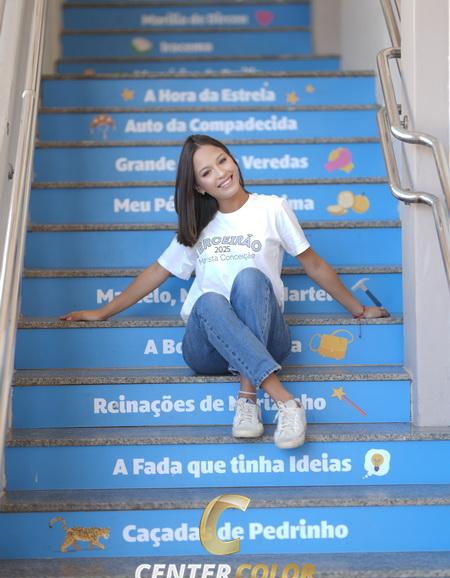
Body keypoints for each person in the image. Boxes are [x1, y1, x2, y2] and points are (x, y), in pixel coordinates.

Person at [60, 134, 390, 449]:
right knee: (208, 301)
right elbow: (158, 271)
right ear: (198, 186)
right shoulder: (197, 225)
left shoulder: (272, 208)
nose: (220, 173)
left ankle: (247, 399)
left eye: (222, 161)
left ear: (233, 159)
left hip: (268, 339)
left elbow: (313, 264)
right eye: (206, 172)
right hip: (208, 349)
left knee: (250, 278)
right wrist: (102, 311)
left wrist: (358, 309)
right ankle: (285, 402)